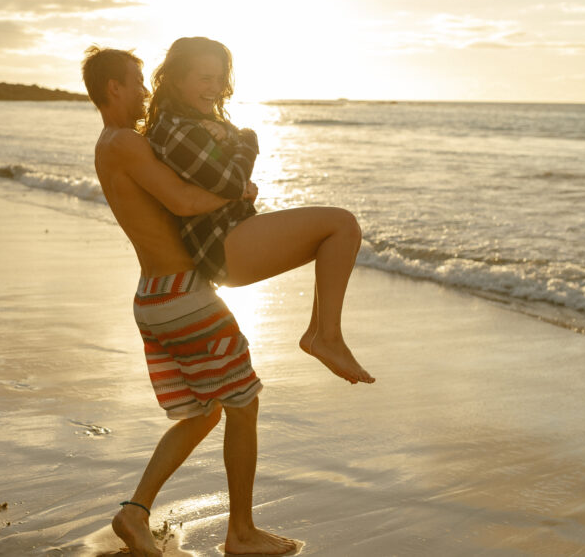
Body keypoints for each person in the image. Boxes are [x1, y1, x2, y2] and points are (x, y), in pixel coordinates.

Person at [83, 46, 298, 556]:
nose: (143, 91)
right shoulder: (126, 143)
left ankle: (134, 514)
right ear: (114, 87)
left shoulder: (105, 145)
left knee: (202, 413)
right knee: (243, 406)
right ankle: (241, 534)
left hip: (154, 297)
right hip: (182, 296)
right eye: (136, 82)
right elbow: (182, 200)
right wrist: (239, 191)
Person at [146, 36, 375, 385]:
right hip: (222, 246)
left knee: (341, 233)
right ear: (177, 79)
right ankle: (326, 338)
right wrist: (242, 142)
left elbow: (238, 161)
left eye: (219, 78)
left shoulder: (192, 121)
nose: (215, 87)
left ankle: (319, 334)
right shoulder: (175, 129)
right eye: (204, 78)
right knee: (341, 224)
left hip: (231, 239)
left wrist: (234, 139)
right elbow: (233, 180)